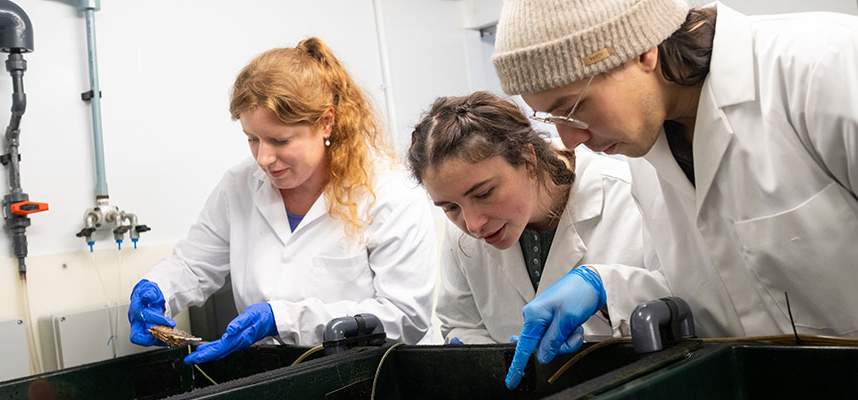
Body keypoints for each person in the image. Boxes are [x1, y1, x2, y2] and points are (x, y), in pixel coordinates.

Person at [491, 0, 858, 387]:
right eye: (552, 120)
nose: (571, 141)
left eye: (575, 107)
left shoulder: (826, 67)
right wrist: (605, 287)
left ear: (642, 50)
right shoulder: (646, 152)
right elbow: (725, 286)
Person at [127, 37, 437, 364]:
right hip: (279, 373)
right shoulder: (240, 185)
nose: (263, 157)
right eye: (252, 139)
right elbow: (192, 264)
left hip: (374, 376)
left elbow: (405, 317)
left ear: (325, 122)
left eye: (280, 140)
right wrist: (157, 289)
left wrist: (283, 319)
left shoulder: (387, 190)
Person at [408, 91, 670, 387]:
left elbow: (687, 303)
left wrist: (607, 292)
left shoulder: (630, 195)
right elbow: (460, 323)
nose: (473, 224)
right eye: (450, 208)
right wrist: (491, 362)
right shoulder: (463, 235)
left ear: (528, 160)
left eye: (483, 194)